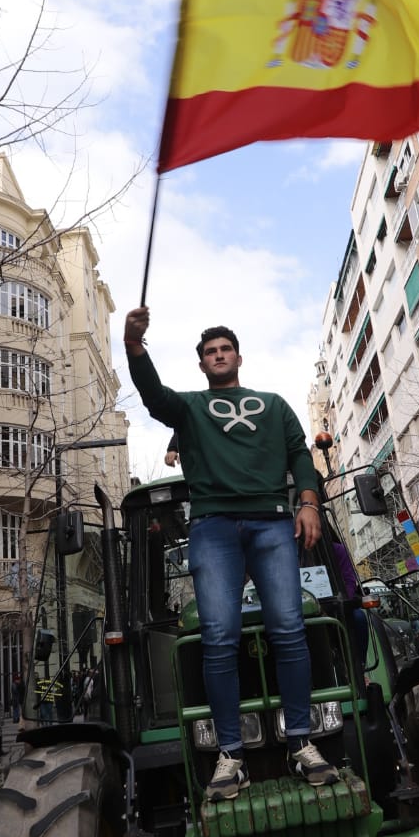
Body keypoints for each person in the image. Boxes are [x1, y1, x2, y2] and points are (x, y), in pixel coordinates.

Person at [124, 306, 339, 802]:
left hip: (271, 522)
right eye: (209, 353)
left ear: (238, 357)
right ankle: (230, 756)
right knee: (219, 637)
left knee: (289, 628)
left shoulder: (274, 404)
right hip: (213, 526)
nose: (218, 356)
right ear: (201, 365)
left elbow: (299, 454)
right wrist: (136, 347)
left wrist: (308, 502)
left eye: (224, 349)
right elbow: (154, 398)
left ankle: (302, 742)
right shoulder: (192, 409)